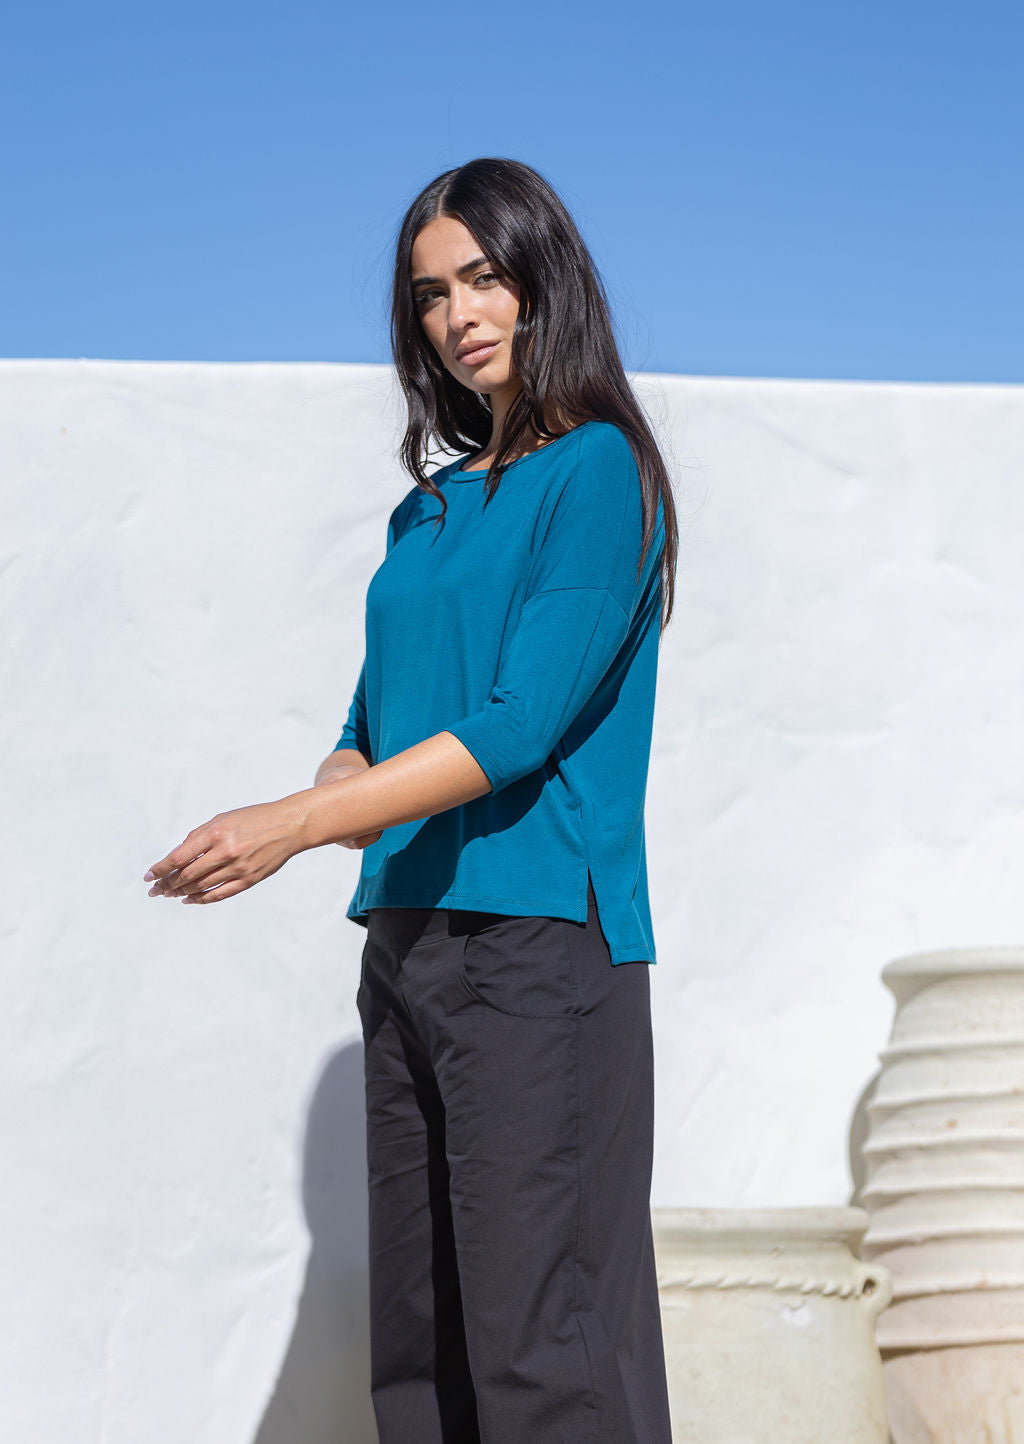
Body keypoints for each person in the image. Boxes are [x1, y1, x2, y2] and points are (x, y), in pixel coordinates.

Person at [144, 156, 679, 1443]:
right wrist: (319, 799)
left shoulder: (598, 474)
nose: (460, 315)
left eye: (486, 278)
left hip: (539, 946)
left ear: (546, 280)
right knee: (423, 1354)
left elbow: (513, 728)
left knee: (541, 1352)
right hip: (407, 944)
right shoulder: (425, 515)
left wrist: (291, 825)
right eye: (433, 294)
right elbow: (367, 732)